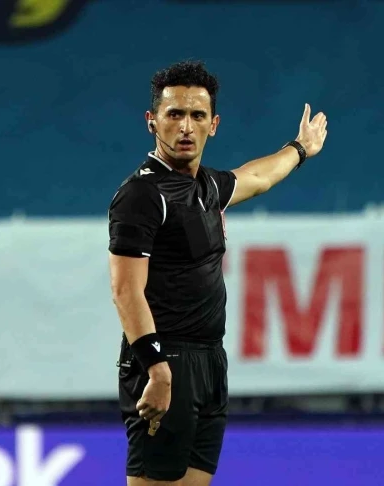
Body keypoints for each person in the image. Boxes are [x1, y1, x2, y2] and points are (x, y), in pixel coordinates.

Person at [107, 60, 328, 486]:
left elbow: (257, 177)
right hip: (165, 359)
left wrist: (300, 148)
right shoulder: (142, 195)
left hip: (209, 361)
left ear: (214, 124)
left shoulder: (207, 186)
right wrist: (156, 368)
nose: (185, 126)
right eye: (174, 114)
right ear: (152, 121)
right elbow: (125, 290)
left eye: (197, 115)